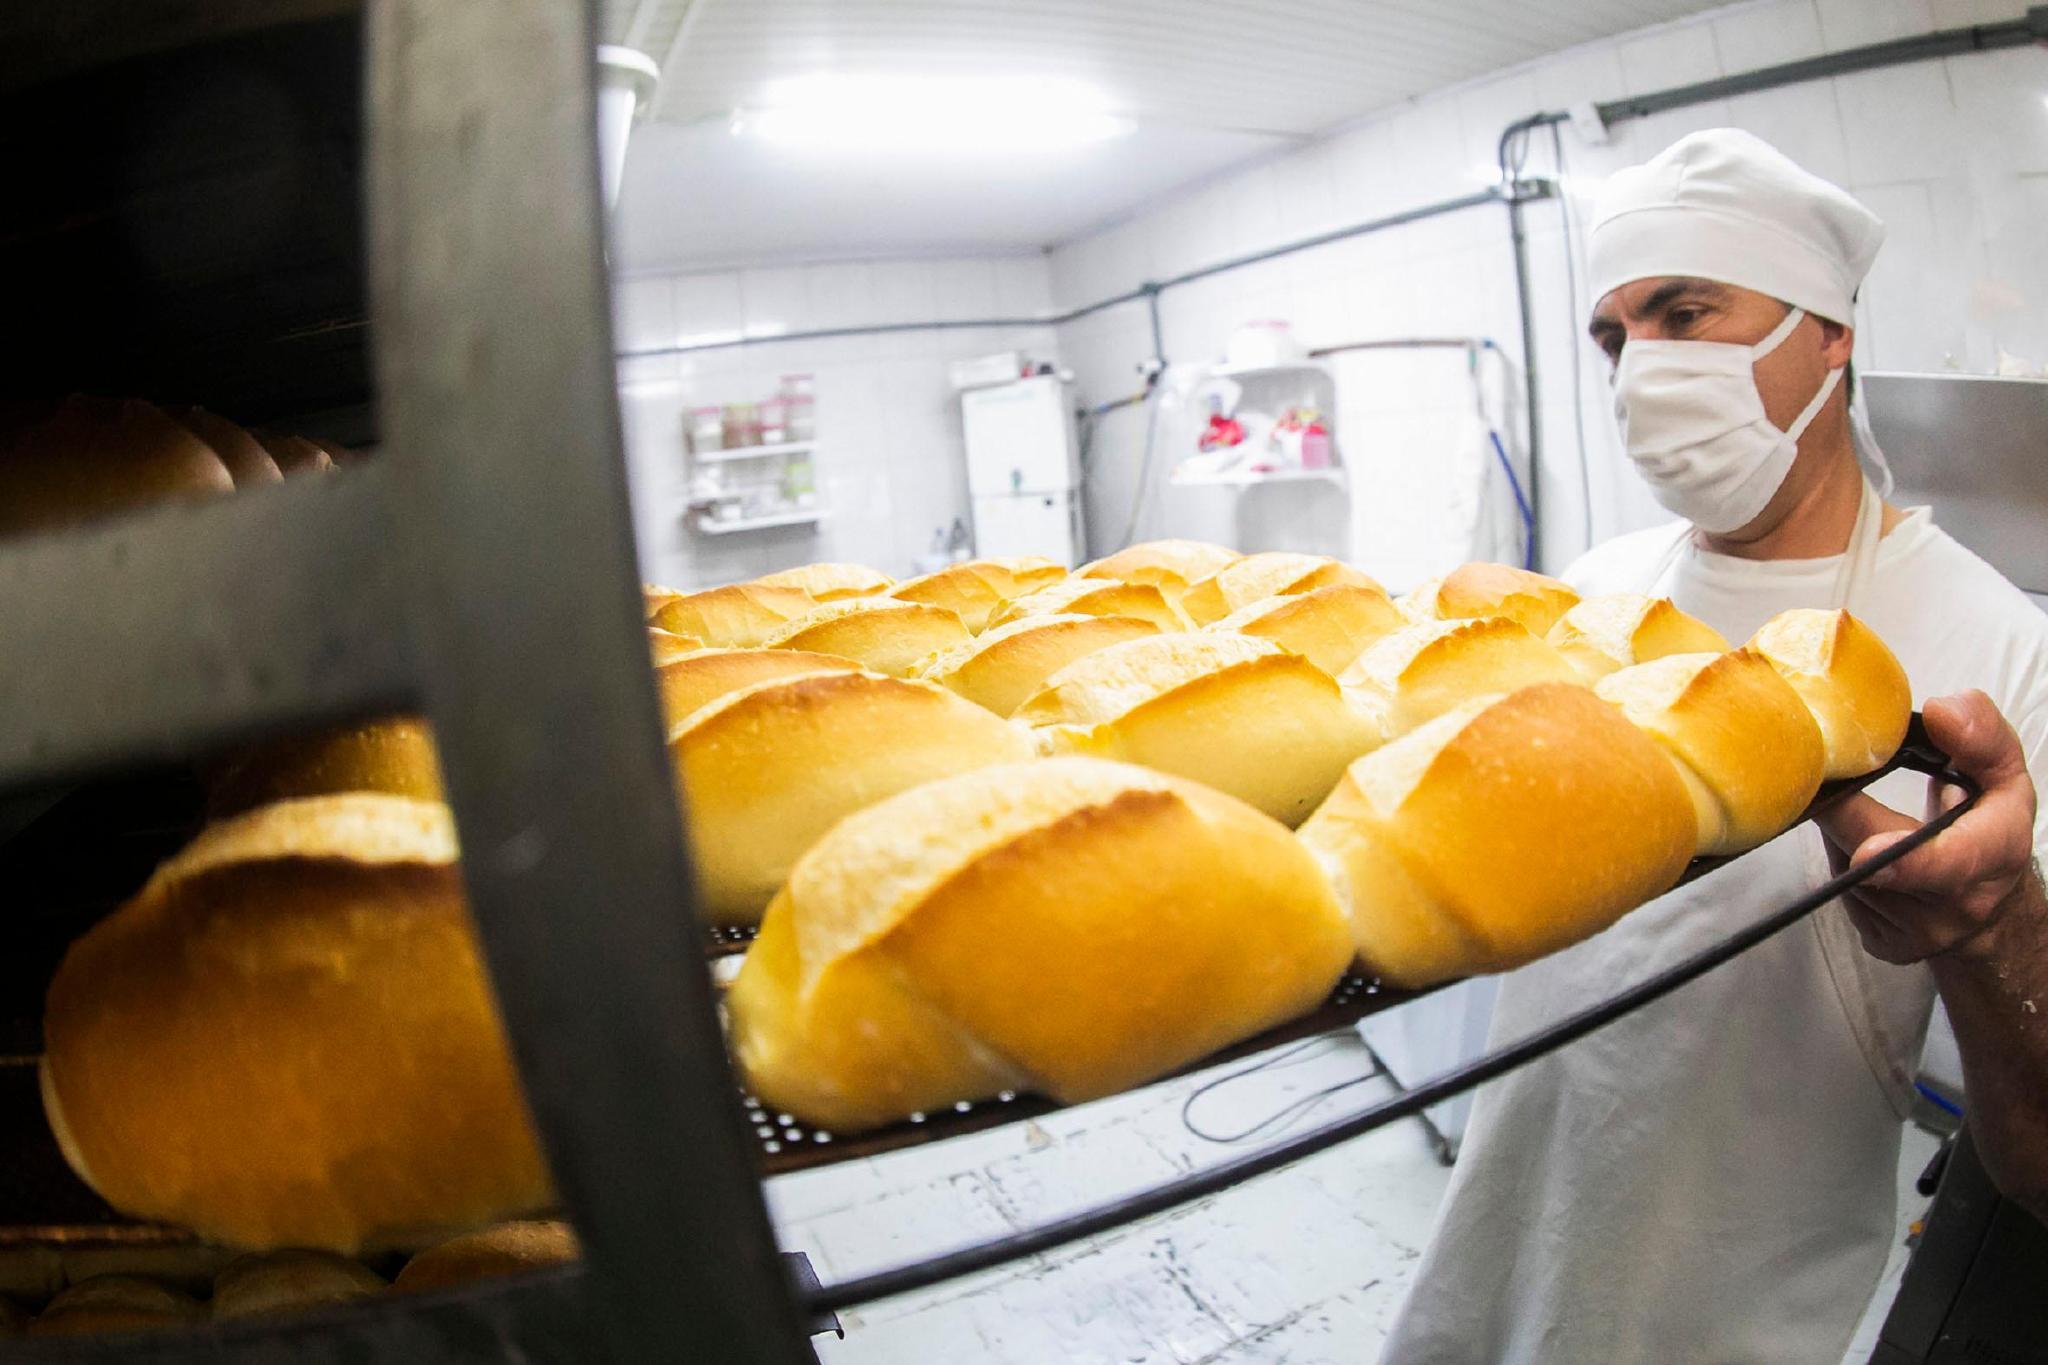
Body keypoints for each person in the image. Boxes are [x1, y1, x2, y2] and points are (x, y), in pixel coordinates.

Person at [1381, 129, 2048, 1363]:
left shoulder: (1990, 650)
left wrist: (1989, 921)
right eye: (1615, 334)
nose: (1642, 366)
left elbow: (2037, 1163)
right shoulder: (1596, 595)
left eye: (1686, 311)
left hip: (1735, 1308)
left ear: (1829, 331)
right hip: (1487, 1266)